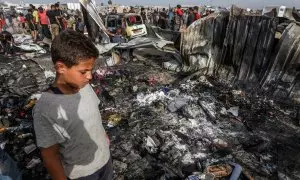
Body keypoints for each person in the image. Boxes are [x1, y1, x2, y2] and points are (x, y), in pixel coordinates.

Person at [33, 29, 112, 180]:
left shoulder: (84, 87)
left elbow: (93, 116)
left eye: (91, 70)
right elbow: (50, 156)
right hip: (82, 175)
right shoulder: (46, 109)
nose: (90, 76)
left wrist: (103, 137)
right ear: (60, 68)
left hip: (105, 161)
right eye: (83, 71)